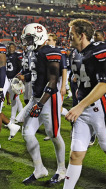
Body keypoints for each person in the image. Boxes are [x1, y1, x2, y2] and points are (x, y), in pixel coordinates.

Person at [64, 19, 106, 189]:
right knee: (75, 155)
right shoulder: (74, 53)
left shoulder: (100, 50)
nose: (69, 37)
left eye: (72, 34)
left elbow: (103, 85)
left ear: (82, 35)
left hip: (97, 108)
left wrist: (79, 106)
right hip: (82, 111)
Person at [19, 23, 66, 185]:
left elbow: (53, 80)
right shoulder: (35, 52)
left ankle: (61, 170)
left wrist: (40, 104)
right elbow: (33, 73)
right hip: (36, 97)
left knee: (54, 134)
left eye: (29, 38)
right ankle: (39, 169)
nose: (27, 42)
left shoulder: (51, 51)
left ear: (39, 37)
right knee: (27, 133)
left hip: (49, 99)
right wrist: (22, 77)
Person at [0, 42, 20, 143]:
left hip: (2, 82)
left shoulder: (1, 48)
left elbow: (2, 69)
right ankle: (11, 126)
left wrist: (1, 89)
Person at [6, 43, 23, 123]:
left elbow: (20, 68)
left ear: (15, 48)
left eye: (12, 47)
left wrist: (18, 78)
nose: (11, 49)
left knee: (14, 99)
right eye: (10, 47)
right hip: (7, 79)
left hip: (14, 79)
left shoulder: (17, 56)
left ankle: (12, 119)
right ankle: (22, 117)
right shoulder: (6, 55)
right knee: (16, 98)